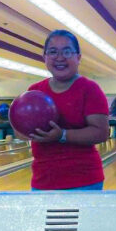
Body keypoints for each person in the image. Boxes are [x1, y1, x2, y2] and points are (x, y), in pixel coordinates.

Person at [20, 30, 109, 190]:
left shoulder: (90, 89)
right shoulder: (35, 91)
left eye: (67, 51)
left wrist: (61, 135)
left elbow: (101, 132)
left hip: (85, 181)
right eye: (53, 52)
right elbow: (20, 132)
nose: (60, 57)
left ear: (78, 57)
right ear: (44, 57)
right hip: (43, 181)